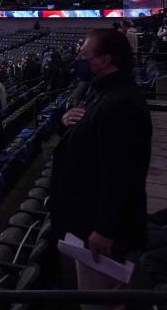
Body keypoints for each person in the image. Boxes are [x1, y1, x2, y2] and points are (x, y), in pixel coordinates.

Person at [50, 29, 152, 297]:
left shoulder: (121, 103)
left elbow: (120, 173)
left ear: (105, 60)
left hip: (101, 233)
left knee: (102, 299)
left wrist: (104, 230)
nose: (78, 59)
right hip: (86, 218)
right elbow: (89, 138)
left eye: (84, 54)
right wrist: (64, 123)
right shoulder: (101, 92)